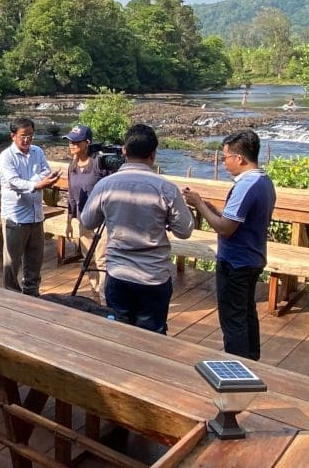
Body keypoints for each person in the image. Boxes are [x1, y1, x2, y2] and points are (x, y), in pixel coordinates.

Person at [79, 124, 195, 333]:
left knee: (119, 333)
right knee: (153, 337)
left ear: (124, 151)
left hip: (118, 273)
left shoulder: (106, 185)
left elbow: (87, 222)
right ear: (153, 154)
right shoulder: (166, 188)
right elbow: (185, 230)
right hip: (153, 276)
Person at [188, 130, 276, 360]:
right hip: (252, 257)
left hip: (235, 262)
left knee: (233, 318)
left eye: (226, 158)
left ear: (240, 158)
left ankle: (237, 366)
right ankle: (252, 361)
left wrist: (199, 204)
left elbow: (225, 229)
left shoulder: (246, 185)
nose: (224, 163)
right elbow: (234, 221)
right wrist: (210, 208)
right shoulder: (264, 181)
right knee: (246, 312)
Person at [0, 118, 59, 296]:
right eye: (23, 136)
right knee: (12, 261)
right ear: (13, 136)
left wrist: (36, 182)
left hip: (36, 214)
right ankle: (11, 294)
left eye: (30, 136)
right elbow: (14, 182)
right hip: (15, 216)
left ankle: (32, 292)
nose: (27, 140)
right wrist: (37, 184)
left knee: (35, 258)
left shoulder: (37, 151)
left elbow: (45, 171)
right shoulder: (6, 157)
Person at [64, 124, 110, 290]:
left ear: (87, 143)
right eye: (70, 142)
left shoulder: (98, 164)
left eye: (76, 142)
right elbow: (71, 195)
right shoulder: (72, 166)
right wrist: (69, 222)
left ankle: (105, 298)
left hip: (102, 221)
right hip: (84, 220)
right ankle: (95, 292)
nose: (72, 146)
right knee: (88, 258)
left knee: (101, 259)